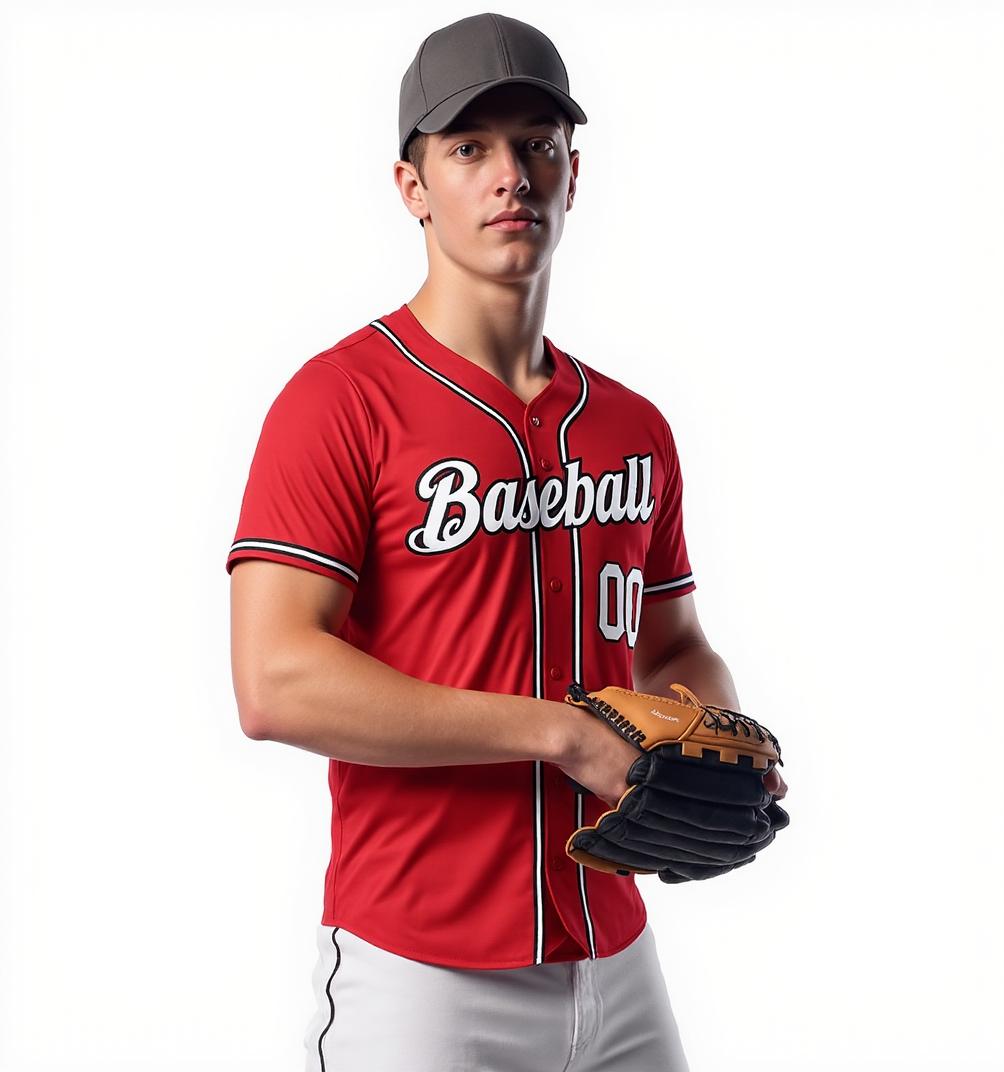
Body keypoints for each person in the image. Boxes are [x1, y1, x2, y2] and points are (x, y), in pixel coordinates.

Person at [226, 12, 787, 1071]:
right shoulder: (337, 403)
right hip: (420, 973)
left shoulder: (630, 425)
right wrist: (559, 732)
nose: (509, 176)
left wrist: (708, 728)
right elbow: (274, 679)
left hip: (616, 953)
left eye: (536, 142)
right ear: (412, 187)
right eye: (469, 147)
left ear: (573, 173)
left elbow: (671, 645)